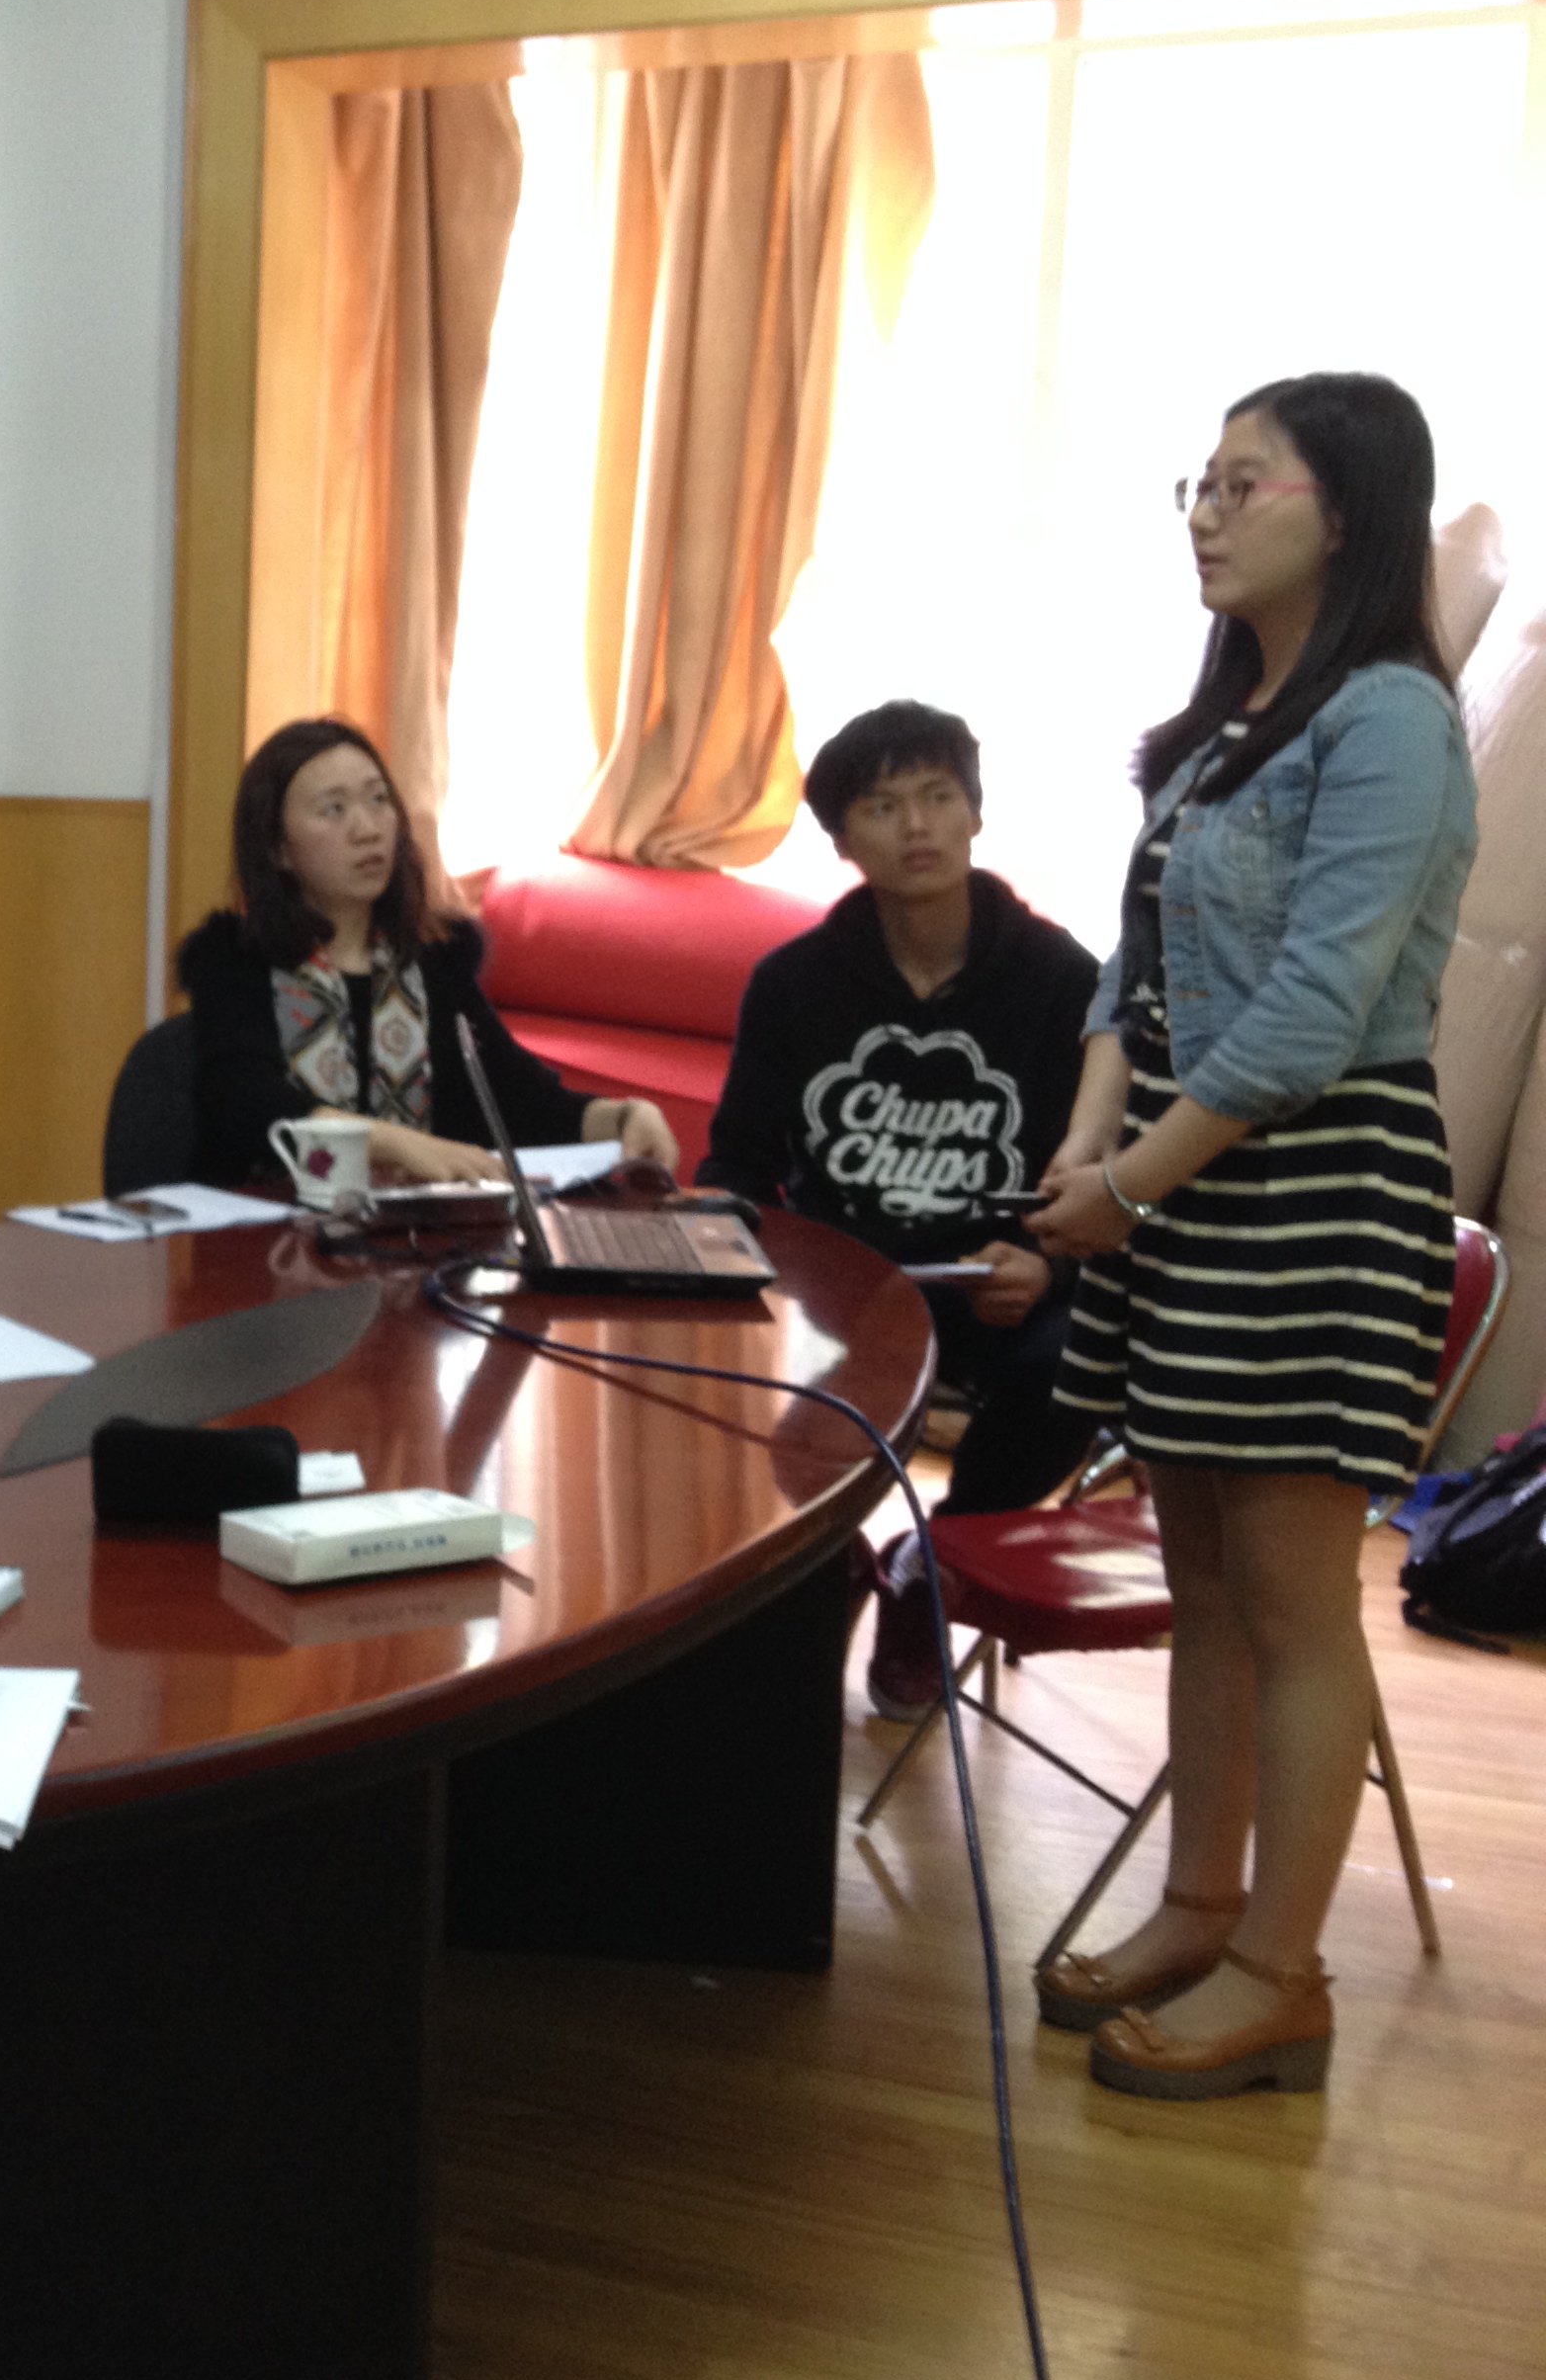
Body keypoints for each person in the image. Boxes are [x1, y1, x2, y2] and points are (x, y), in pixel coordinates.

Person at [1026, 373, 1476, 2101]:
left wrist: (1129, 1182)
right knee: (1201, 1582)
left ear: (1343, 513)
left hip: (1313, 1181)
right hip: (1185, 1176)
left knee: (1291, 1598)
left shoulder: (1390, 719)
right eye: (1195, 485)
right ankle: (1198, 1906)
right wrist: (1089, 1135)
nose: (1205, 515)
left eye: (1242, 483)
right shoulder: (1223, 729)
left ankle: (1282, 1975)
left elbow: (1309, 1011)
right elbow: (1125, 969)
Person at [698, 700, 1100, 1721]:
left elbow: (1094, 1169)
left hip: (998, 1280)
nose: (917, 825)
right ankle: (823, 1557)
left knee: (1077, 1364)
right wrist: (726, 1248)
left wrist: (1047, 1262)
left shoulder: (1064, 982)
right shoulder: (791, 984)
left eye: (937, 796)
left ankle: (936, 1566)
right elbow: (738, 1164)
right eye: (882, 807)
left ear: (976, 813)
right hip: (842, 1285)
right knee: (725, 1361)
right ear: (841, 841)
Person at [179, 719, 674, 1187]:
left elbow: (523, 1101)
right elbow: (247, 1104)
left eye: (378, 800)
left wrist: (625, 1116)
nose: (368, 829)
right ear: (277, 848)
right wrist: (395, 1144)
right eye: (334, 809)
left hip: (407, 1236)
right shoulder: (234, 961)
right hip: (264, 1232)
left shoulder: (434, 963)